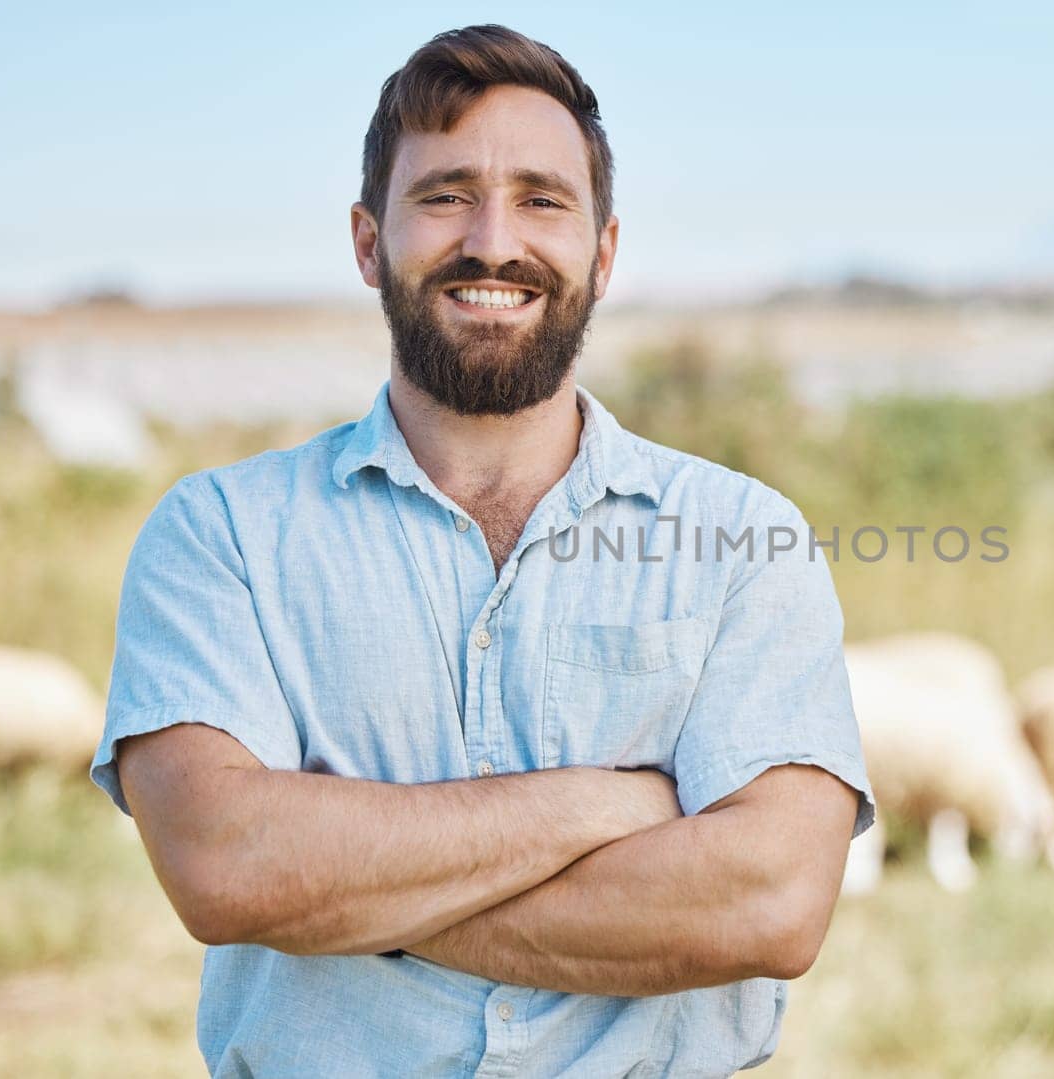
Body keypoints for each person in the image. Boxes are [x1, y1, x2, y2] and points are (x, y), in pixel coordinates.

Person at [90, 24, 874, 1078]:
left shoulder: (744, 539)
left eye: (543, 200)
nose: (494, 240)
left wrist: (341, 886)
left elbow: (771, 901)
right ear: (369, 242)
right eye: (446, 194)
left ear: (601, 254)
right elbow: (226, 867)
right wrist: (608, 802)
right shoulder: (221, 534)